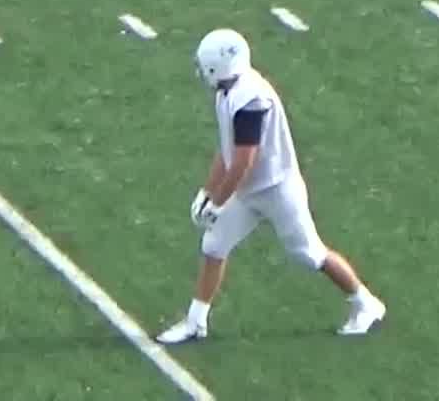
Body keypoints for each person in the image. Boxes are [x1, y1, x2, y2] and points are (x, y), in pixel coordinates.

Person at [155, 29, 386, 344]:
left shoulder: (250, 99)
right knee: (214, 245)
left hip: (276, 190)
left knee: (309, 254)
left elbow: (243, 161)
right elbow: (227, 150)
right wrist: (207, 191)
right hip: (248, 189)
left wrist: (218, 202)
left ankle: (365, 303)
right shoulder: (228, 92)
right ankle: (196, 321)